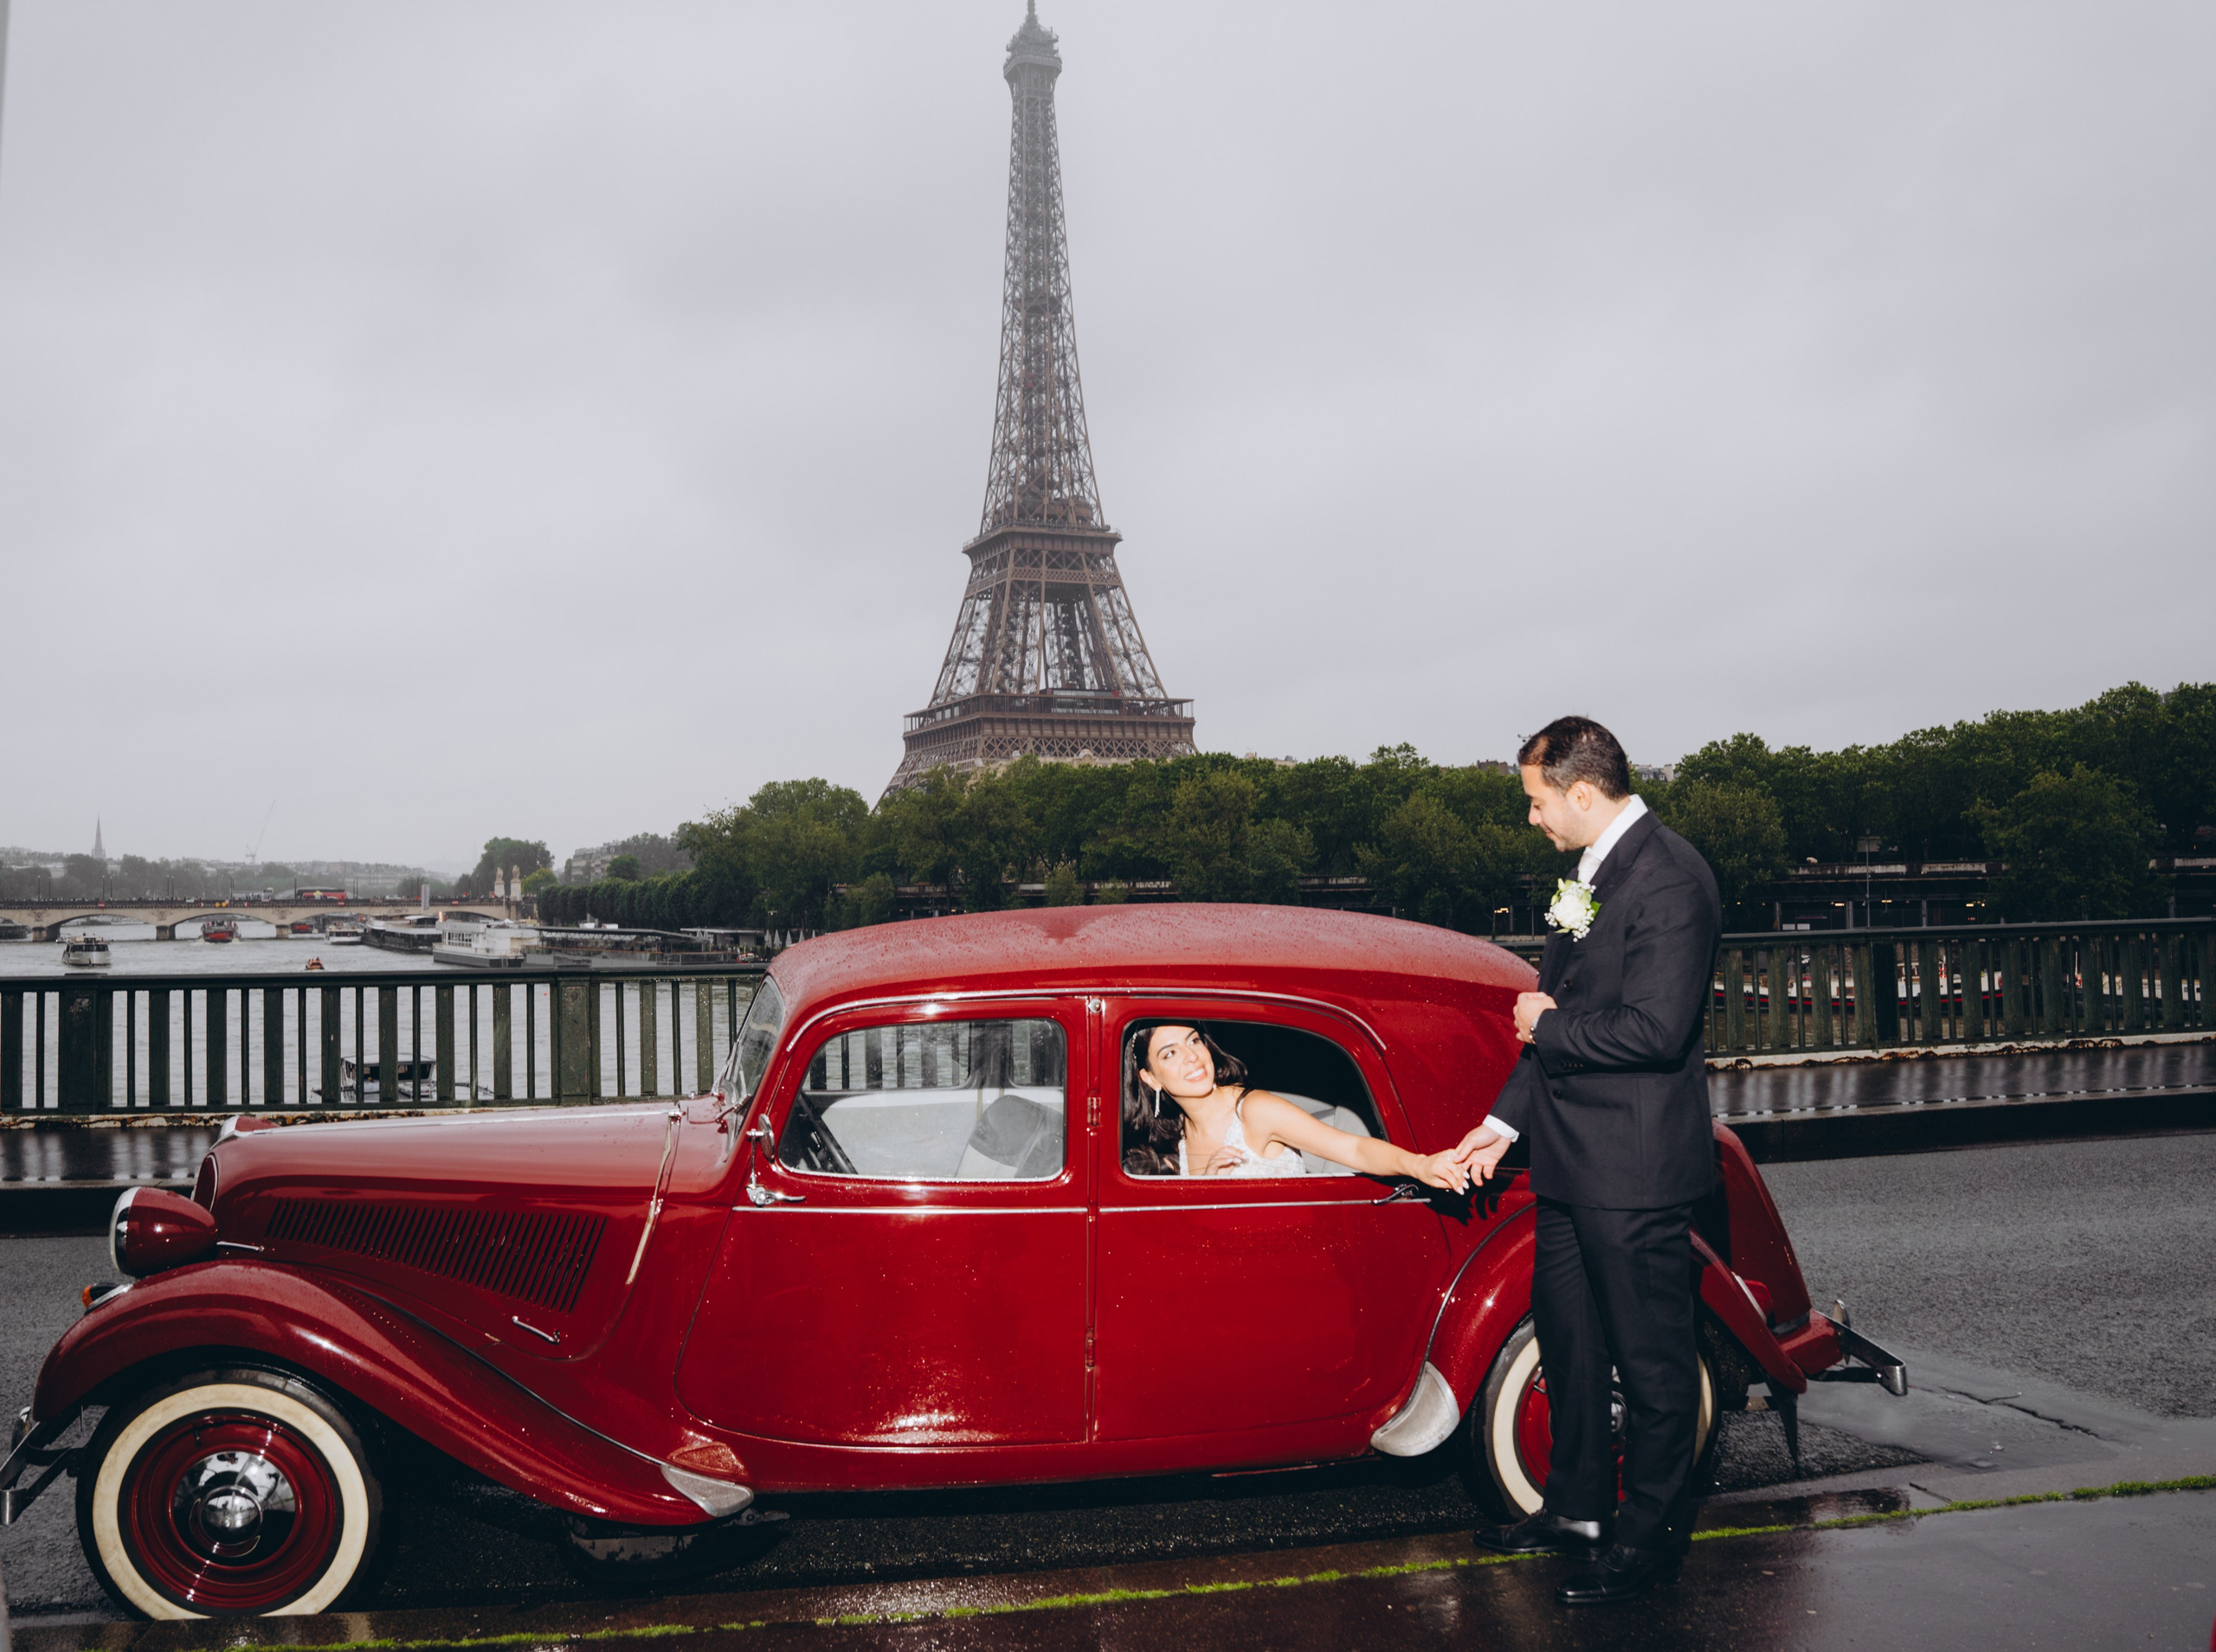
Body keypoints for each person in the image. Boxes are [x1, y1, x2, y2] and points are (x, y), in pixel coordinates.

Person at [1454, 716, 1722, 1609]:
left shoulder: (1672, 878)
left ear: (1579, 791)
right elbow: (1560, 1001)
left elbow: (1656, 1030)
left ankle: (1648, 1542)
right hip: (1572, 1165)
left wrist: (1550, 1026)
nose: (1530, 818)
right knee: (1568, 1340)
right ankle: (1575, 1508)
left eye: (1535, 801)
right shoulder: (1589, 873)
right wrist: (1500, 1127)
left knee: (1651, 1366)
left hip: (1635, 1170)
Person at [1124, 1022, 1470, 1189]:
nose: (1192, 1057)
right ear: (1151, 1078)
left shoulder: (1254, 1110)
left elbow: (1352, 1148)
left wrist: (1419, 1165)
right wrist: (1209, 1185)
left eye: (1194, 1041)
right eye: (1170, 1053)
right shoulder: (1179, 1139)